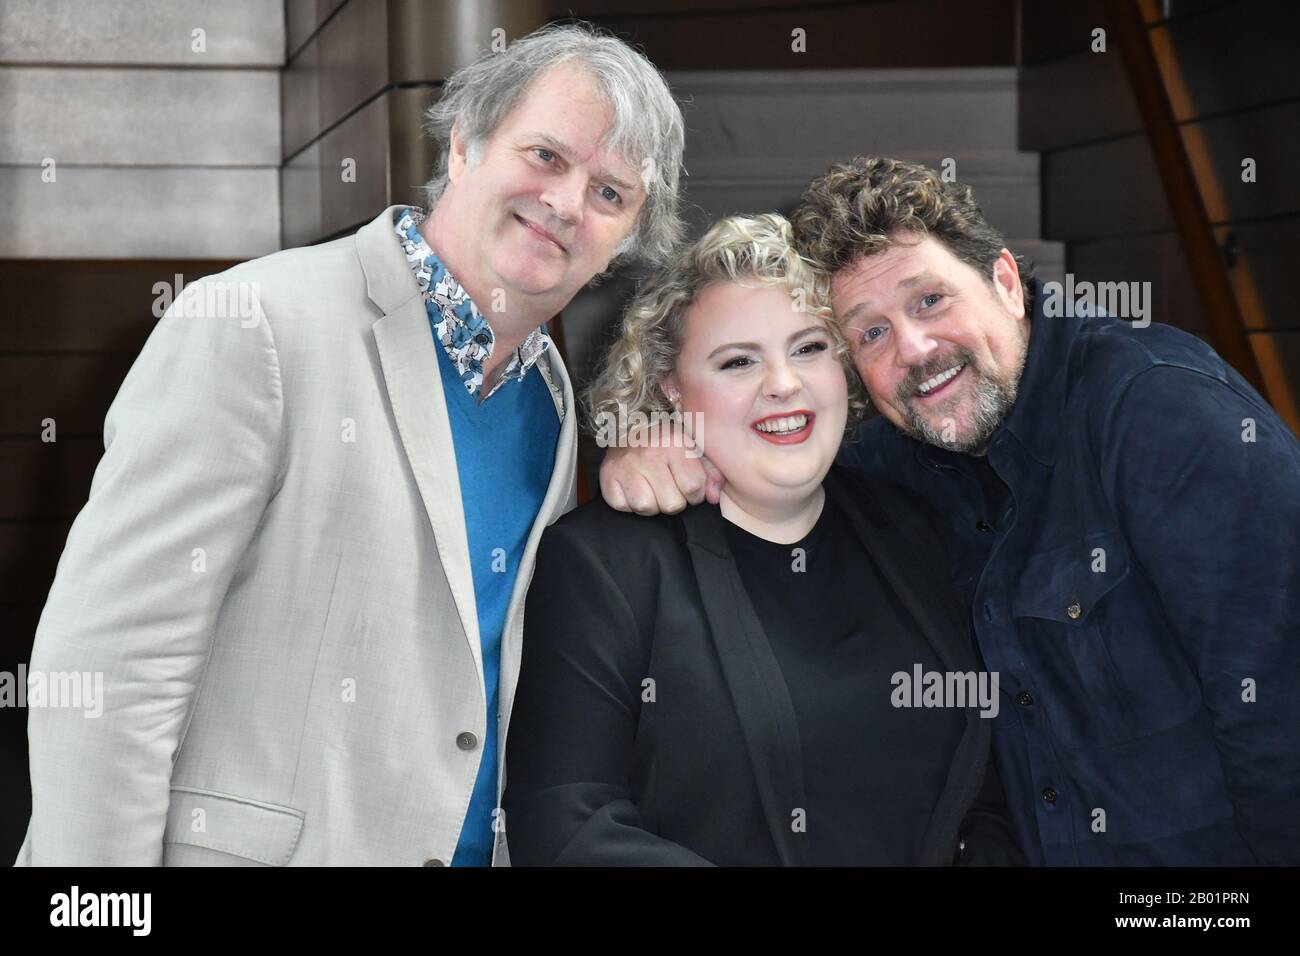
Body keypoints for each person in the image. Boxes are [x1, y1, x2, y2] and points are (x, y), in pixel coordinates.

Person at [16, 22, 685, 866]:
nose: (565, 202)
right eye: (547, 155)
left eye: (610, 194)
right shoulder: (256, 325)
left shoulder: (552, 404)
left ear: (625, 240)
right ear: (468, 141)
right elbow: (109, 664)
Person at [600, 157, 1300, 866]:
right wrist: (663, 442)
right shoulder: (918, 451)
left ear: (1005, 282)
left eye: (930, 300)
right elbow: (783, 449)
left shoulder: (1162, 416)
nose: (914, 349)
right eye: (868, 333)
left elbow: (1281, 720)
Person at [502, 214, 1023, 866]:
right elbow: (565, 828)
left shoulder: (914, 526)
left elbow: (990, 793)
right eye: (738, 361)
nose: (783, 382)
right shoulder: (604, 563)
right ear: (673, 390)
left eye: (809, 348)